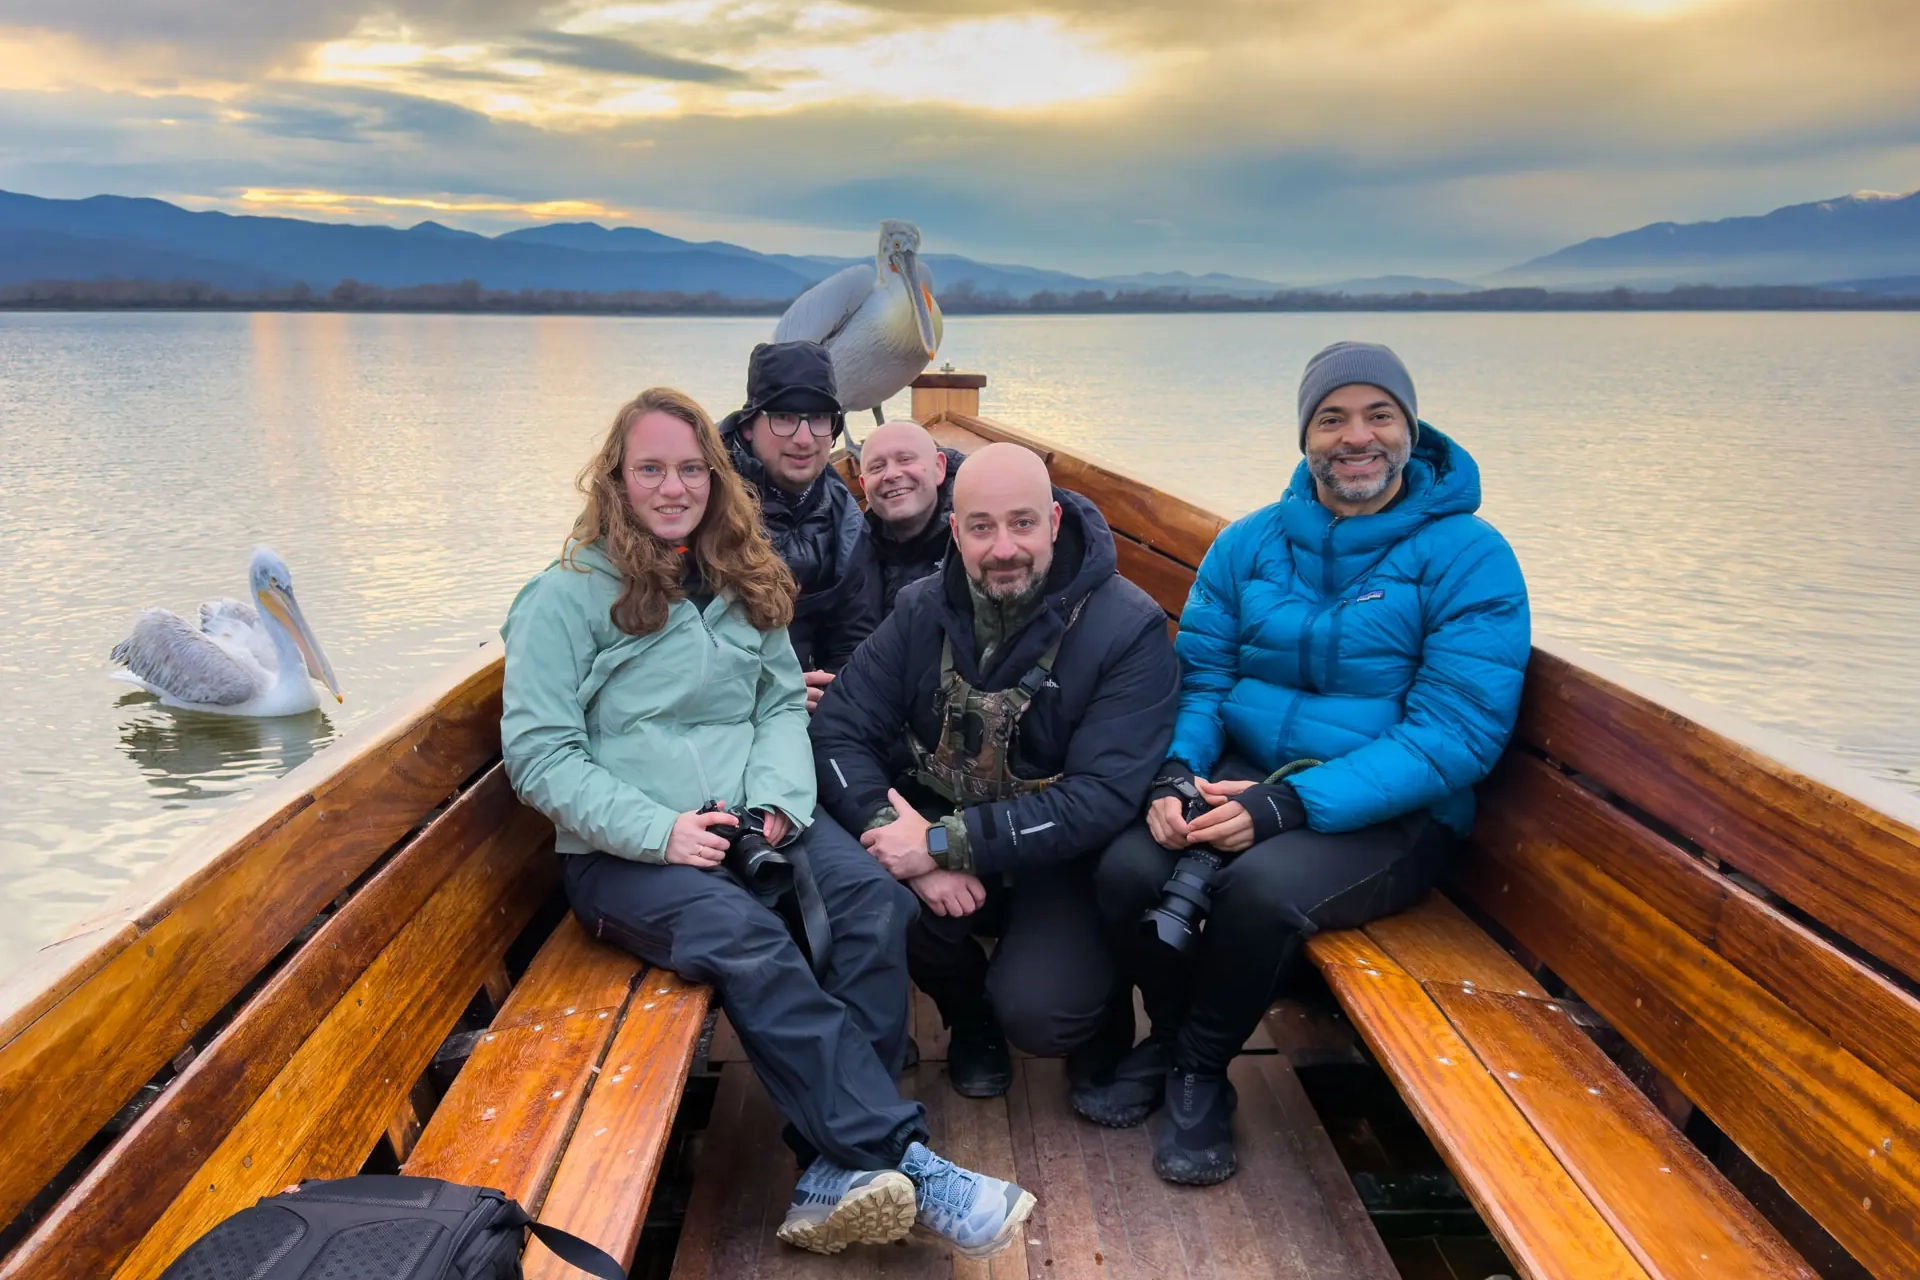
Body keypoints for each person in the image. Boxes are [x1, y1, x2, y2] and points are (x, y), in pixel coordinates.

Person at [500, 388, 1034, 1258]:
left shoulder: (748, 581)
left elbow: (782, 708)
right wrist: (660, 832)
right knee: (753, 942)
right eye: (651, 470)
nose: (673, 488)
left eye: (690, 470)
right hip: (626, 851)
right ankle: (903, 1158)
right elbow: (541, 757)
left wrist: (779, 807)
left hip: (758, 817)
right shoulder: (563, 599)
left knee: (873, 902)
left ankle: (831, 1170)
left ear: (716, 477)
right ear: (616, 480)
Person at [1079, 342, 1531, 1187]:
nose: (1355, 437)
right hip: (1243, 775)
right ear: (1304, 438)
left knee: (1259, 888)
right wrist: (1176, 773)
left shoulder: (1469, 556)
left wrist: (1290, 807)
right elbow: (1204, 679)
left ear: (1410, 429)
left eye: (1378, 415)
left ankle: (1201, 1071)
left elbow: (1457, 731)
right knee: (1128, 867)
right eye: (1332, 419)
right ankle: (1172, 1037)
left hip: (1396, 810)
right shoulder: (1248, 544)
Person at [812, 442, 1180, 1100]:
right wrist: (898, 835)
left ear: (1055, 522)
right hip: (941, 826)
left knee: (1042, 1016)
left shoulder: (1128, 629)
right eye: (981, 527)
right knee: (878, 892)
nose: (1002, 547)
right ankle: (968, 1014)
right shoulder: (922, 609)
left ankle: (1097, 1008)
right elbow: (838, 728)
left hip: (1061, 856)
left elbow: (1101, 799)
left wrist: (940, 844)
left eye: (1022, 523)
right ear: (955, 530)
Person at [718, 340, 878, 713]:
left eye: (819, 418)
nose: (804, 439)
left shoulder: (846, 519)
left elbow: (853, 636)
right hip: (721, 704)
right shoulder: (699, 497)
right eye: (784, 418)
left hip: (812, 701)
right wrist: (771, 689)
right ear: (747, 428)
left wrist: (839, 698)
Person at [857, 419, 964, 618]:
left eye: (905, 459)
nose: (891, 474)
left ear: (939, 468)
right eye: (877, 467)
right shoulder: (856, 545)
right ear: (863, 485)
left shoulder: (973, 537)